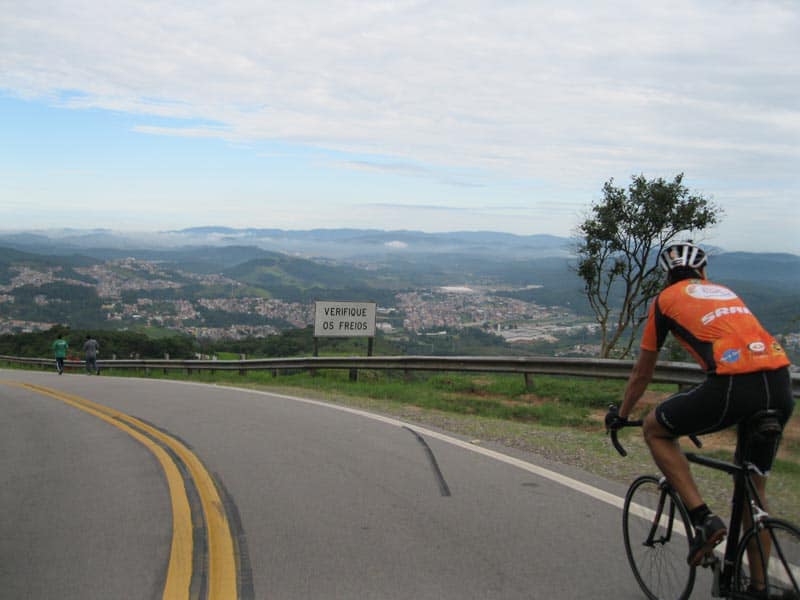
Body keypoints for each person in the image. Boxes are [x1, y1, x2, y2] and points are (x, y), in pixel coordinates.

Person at [605, 241, 794, 575]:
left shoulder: (665, 300)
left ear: (668, 276)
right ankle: (758, 587)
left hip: (733, 386)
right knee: (753, 495)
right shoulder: (725, 292)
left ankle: (703, 519)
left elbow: (642, 373)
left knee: (654, 429)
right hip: (781, 384)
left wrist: (622, 414)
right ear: (703, 272)